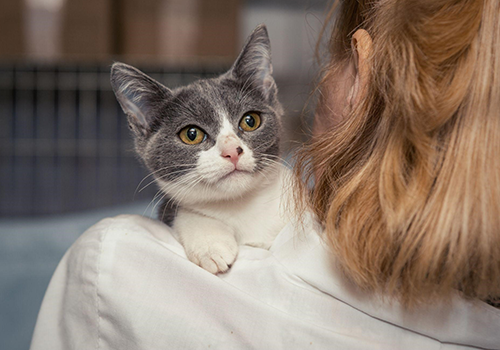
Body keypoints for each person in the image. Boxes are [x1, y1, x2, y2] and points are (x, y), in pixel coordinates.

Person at [31, 0, 500, 349]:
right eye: (195, 135)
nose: (232, 148)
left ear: (361, 72)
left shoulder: (111, 270)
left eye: (249, 122)